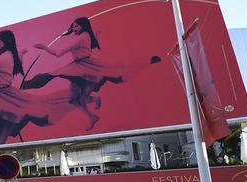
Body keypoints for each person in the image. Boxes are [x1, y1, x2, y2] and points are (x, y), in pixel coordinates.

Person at [21, 17, 161, 131]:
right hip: (80, 67)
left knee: (117, 70)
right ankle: (93, 108)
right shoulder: (87, 35)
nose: (74, 29)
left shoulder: (81, 38)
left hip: (83, 68)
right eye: (73, 27)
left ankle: (147, 62)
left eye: (76, 26)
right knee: (75, 99)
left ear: (82, 26)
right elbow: (94, 35)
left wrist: (43, 47)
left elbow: (58, 54)